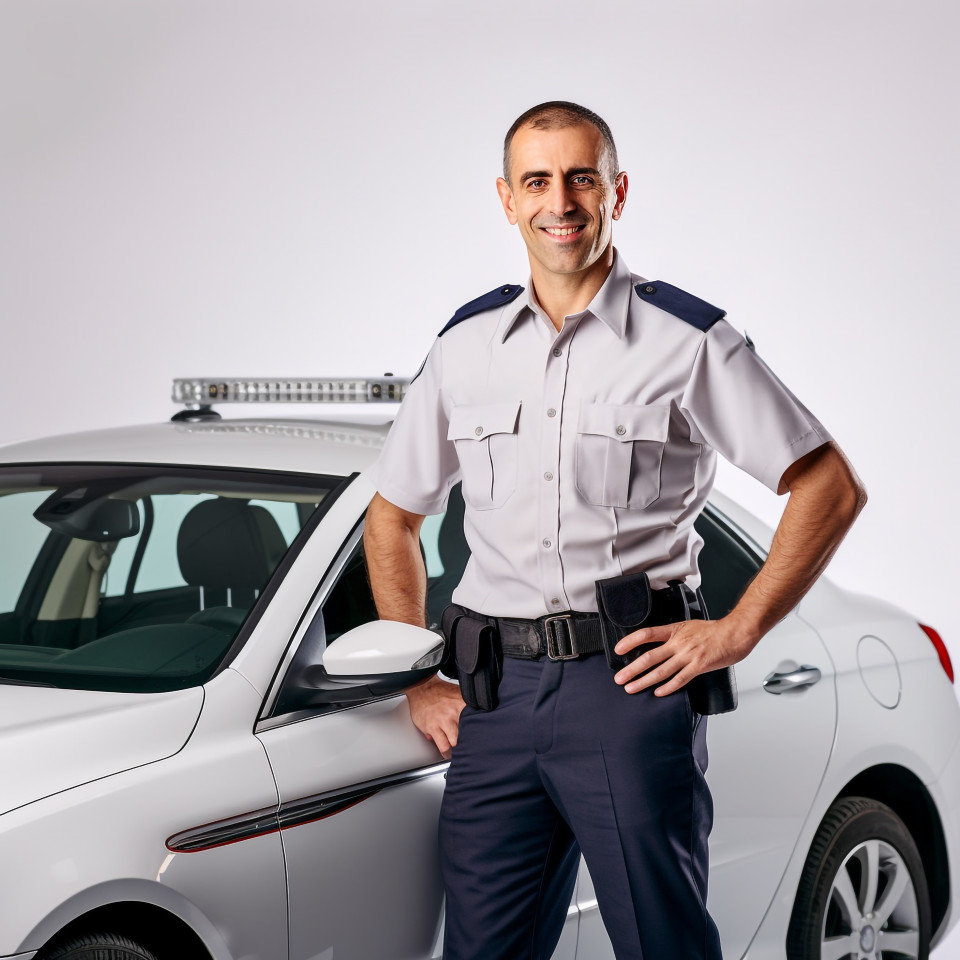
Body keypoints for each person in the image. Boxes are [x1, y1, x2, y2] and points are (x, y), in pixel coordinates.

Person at [363, 101, 866, 960]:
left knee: (662, 943)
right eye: (537, 181)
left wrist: (738, 630)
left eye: (580, 179)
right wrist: (414, 678)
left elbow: (828, 484)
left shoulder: (687, 340)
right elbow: (393, 516)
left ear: (616, 192)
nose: (559, 202)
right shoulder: (464, 346)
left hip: (627, 686)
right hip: (494, 698)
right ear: (507, 199)